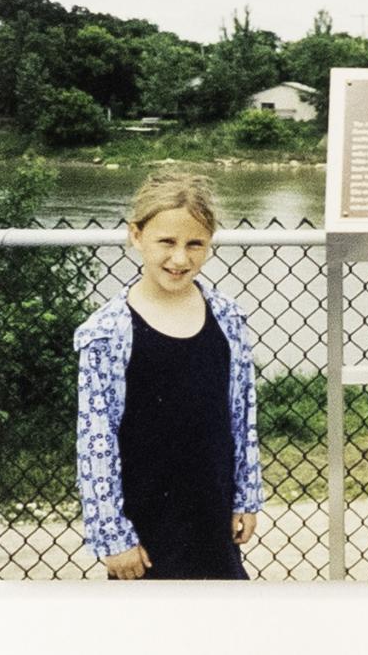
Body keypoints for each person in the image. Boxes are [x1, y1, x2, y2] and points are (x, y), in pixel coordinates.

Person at [74, 172, 263, 580]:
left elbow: (242, 413)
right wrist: (112, 536)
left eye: (195, 244)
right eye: (167, 242)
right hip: (145, 532)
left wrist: (246, 496)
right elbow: (96, 442)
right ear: (136, 236)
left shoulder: (228, 316)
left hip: (212, 517)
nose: (180, 259)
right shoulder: (107, 332)